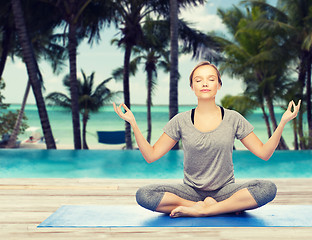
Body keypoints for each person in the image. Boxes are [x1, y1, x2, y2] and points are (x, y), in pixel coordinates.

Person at [113, 61, 301, 218]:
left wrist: (283, 121)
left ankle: (206, 210)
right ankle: (211, 206)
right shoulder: (180, 121)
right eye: (198, 80)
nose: (205, 83)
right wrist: (133, 123)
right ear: (192, 87)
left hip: (226, 191)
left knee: (267, 188)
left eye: (211, 79)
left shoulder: (233, 118)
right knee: (144, 195)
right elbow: (151, 155)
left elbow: (264, 153)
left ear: (218, 85)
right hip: (190, 192)